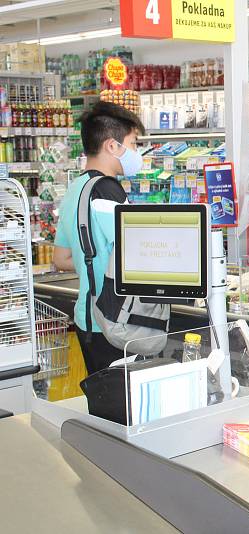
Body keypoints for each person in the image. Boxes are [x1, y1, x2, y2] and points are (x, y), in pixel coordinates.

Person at [53, 102, 145, 375]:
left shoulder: (75, 189)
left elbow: (62, 258)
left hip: (87, 318)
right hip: (116, 320)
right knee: (128, 411)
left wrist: (91, 263)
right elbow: (137, 253)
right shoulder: (107, 191)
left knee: (104, 405)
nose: (137, 152)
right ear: (112, 145)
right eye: (134, 143)